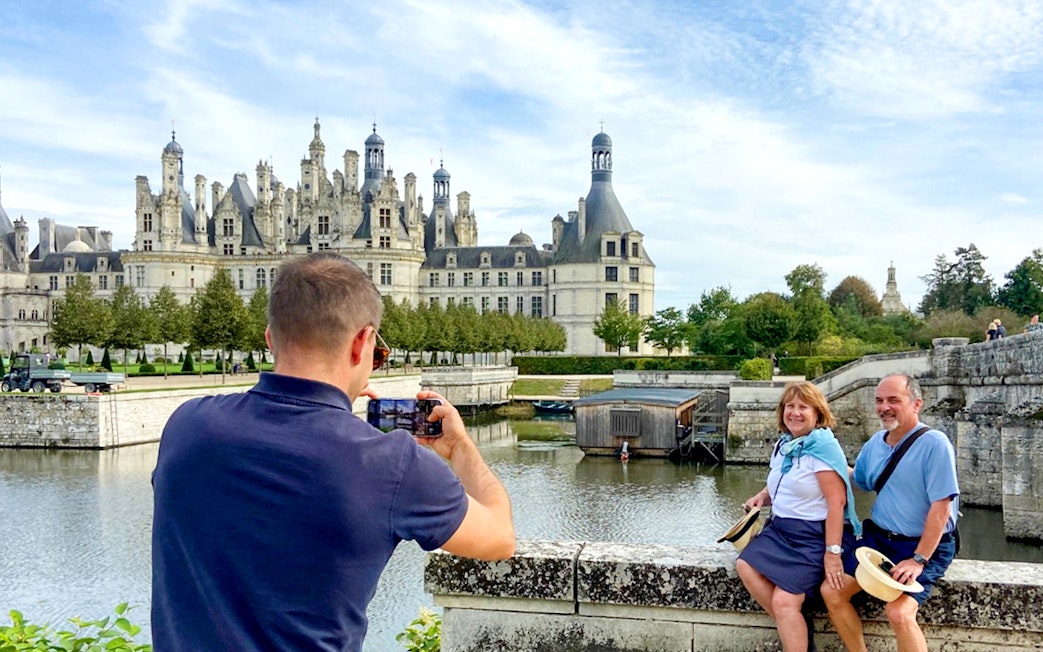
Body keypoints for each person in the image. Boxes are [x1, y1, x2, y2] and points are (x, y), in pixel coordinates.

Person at [151, 253, 515, 651]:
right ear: (363, 342)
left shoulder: (188, 426)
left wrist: (340, 422)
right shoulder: (391, 464)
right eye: (378, 353)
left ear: (270, 338)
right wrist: (461, 449)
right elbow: (500, 538)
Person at [820, 373, 959, 652]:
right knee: (831, 592)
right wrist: (819, 462)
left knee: (899, 613)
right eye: (880, 401)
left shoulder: (935, 443)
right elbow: (856, 482)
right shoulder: (875, 444)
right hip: (879, 539)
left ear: (916, 404)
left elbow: (942, 508)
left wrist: (918, 559)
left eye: (894, 400)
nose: (884, 407)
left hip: (921, 546)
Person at [736, 381, 861, 652]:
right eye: (789, 406)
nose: (795, 412)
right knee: (745, 566)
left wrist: (832, 553)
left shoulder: (823, 448)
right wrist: (762, 496)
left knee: (784, 602)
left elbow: (836, 502)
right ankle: (795, 627)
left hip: (813, 537)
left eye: (803, 407)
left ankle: (796, 635)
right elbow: (782, 481)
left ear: (817, 413)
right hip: (781, 531)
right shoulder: (786, 444)